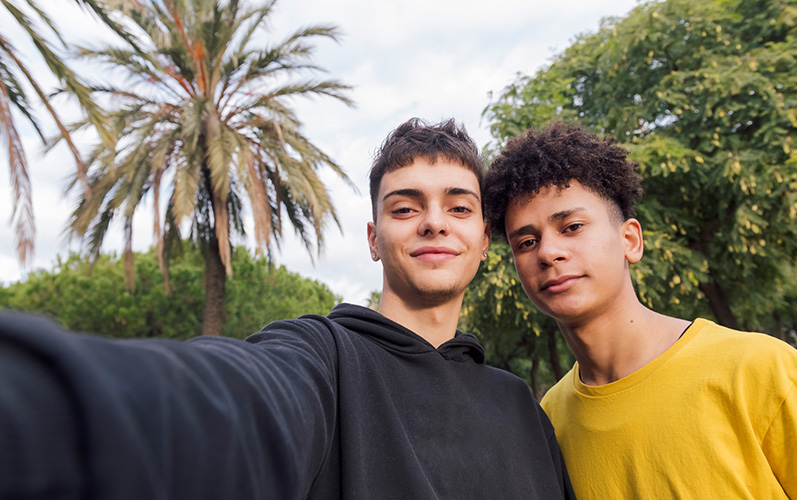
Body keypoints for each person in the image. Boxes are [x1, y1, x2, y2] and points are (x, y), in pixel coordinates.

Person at [0, 118, 575, 500]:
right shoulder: (322, 357)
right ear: (373, 240)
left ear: (481, 239)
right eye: (405, 207)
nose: (434, 221)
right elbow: (223, 406)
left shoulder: (522, 409)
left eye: (458, 206)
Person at [483, 121, 797, 499]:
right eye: (527, 241)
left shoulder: (759, 370)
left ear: (630, 240)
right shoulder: (549, 420)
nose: (548, 253)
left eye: (572, 226)